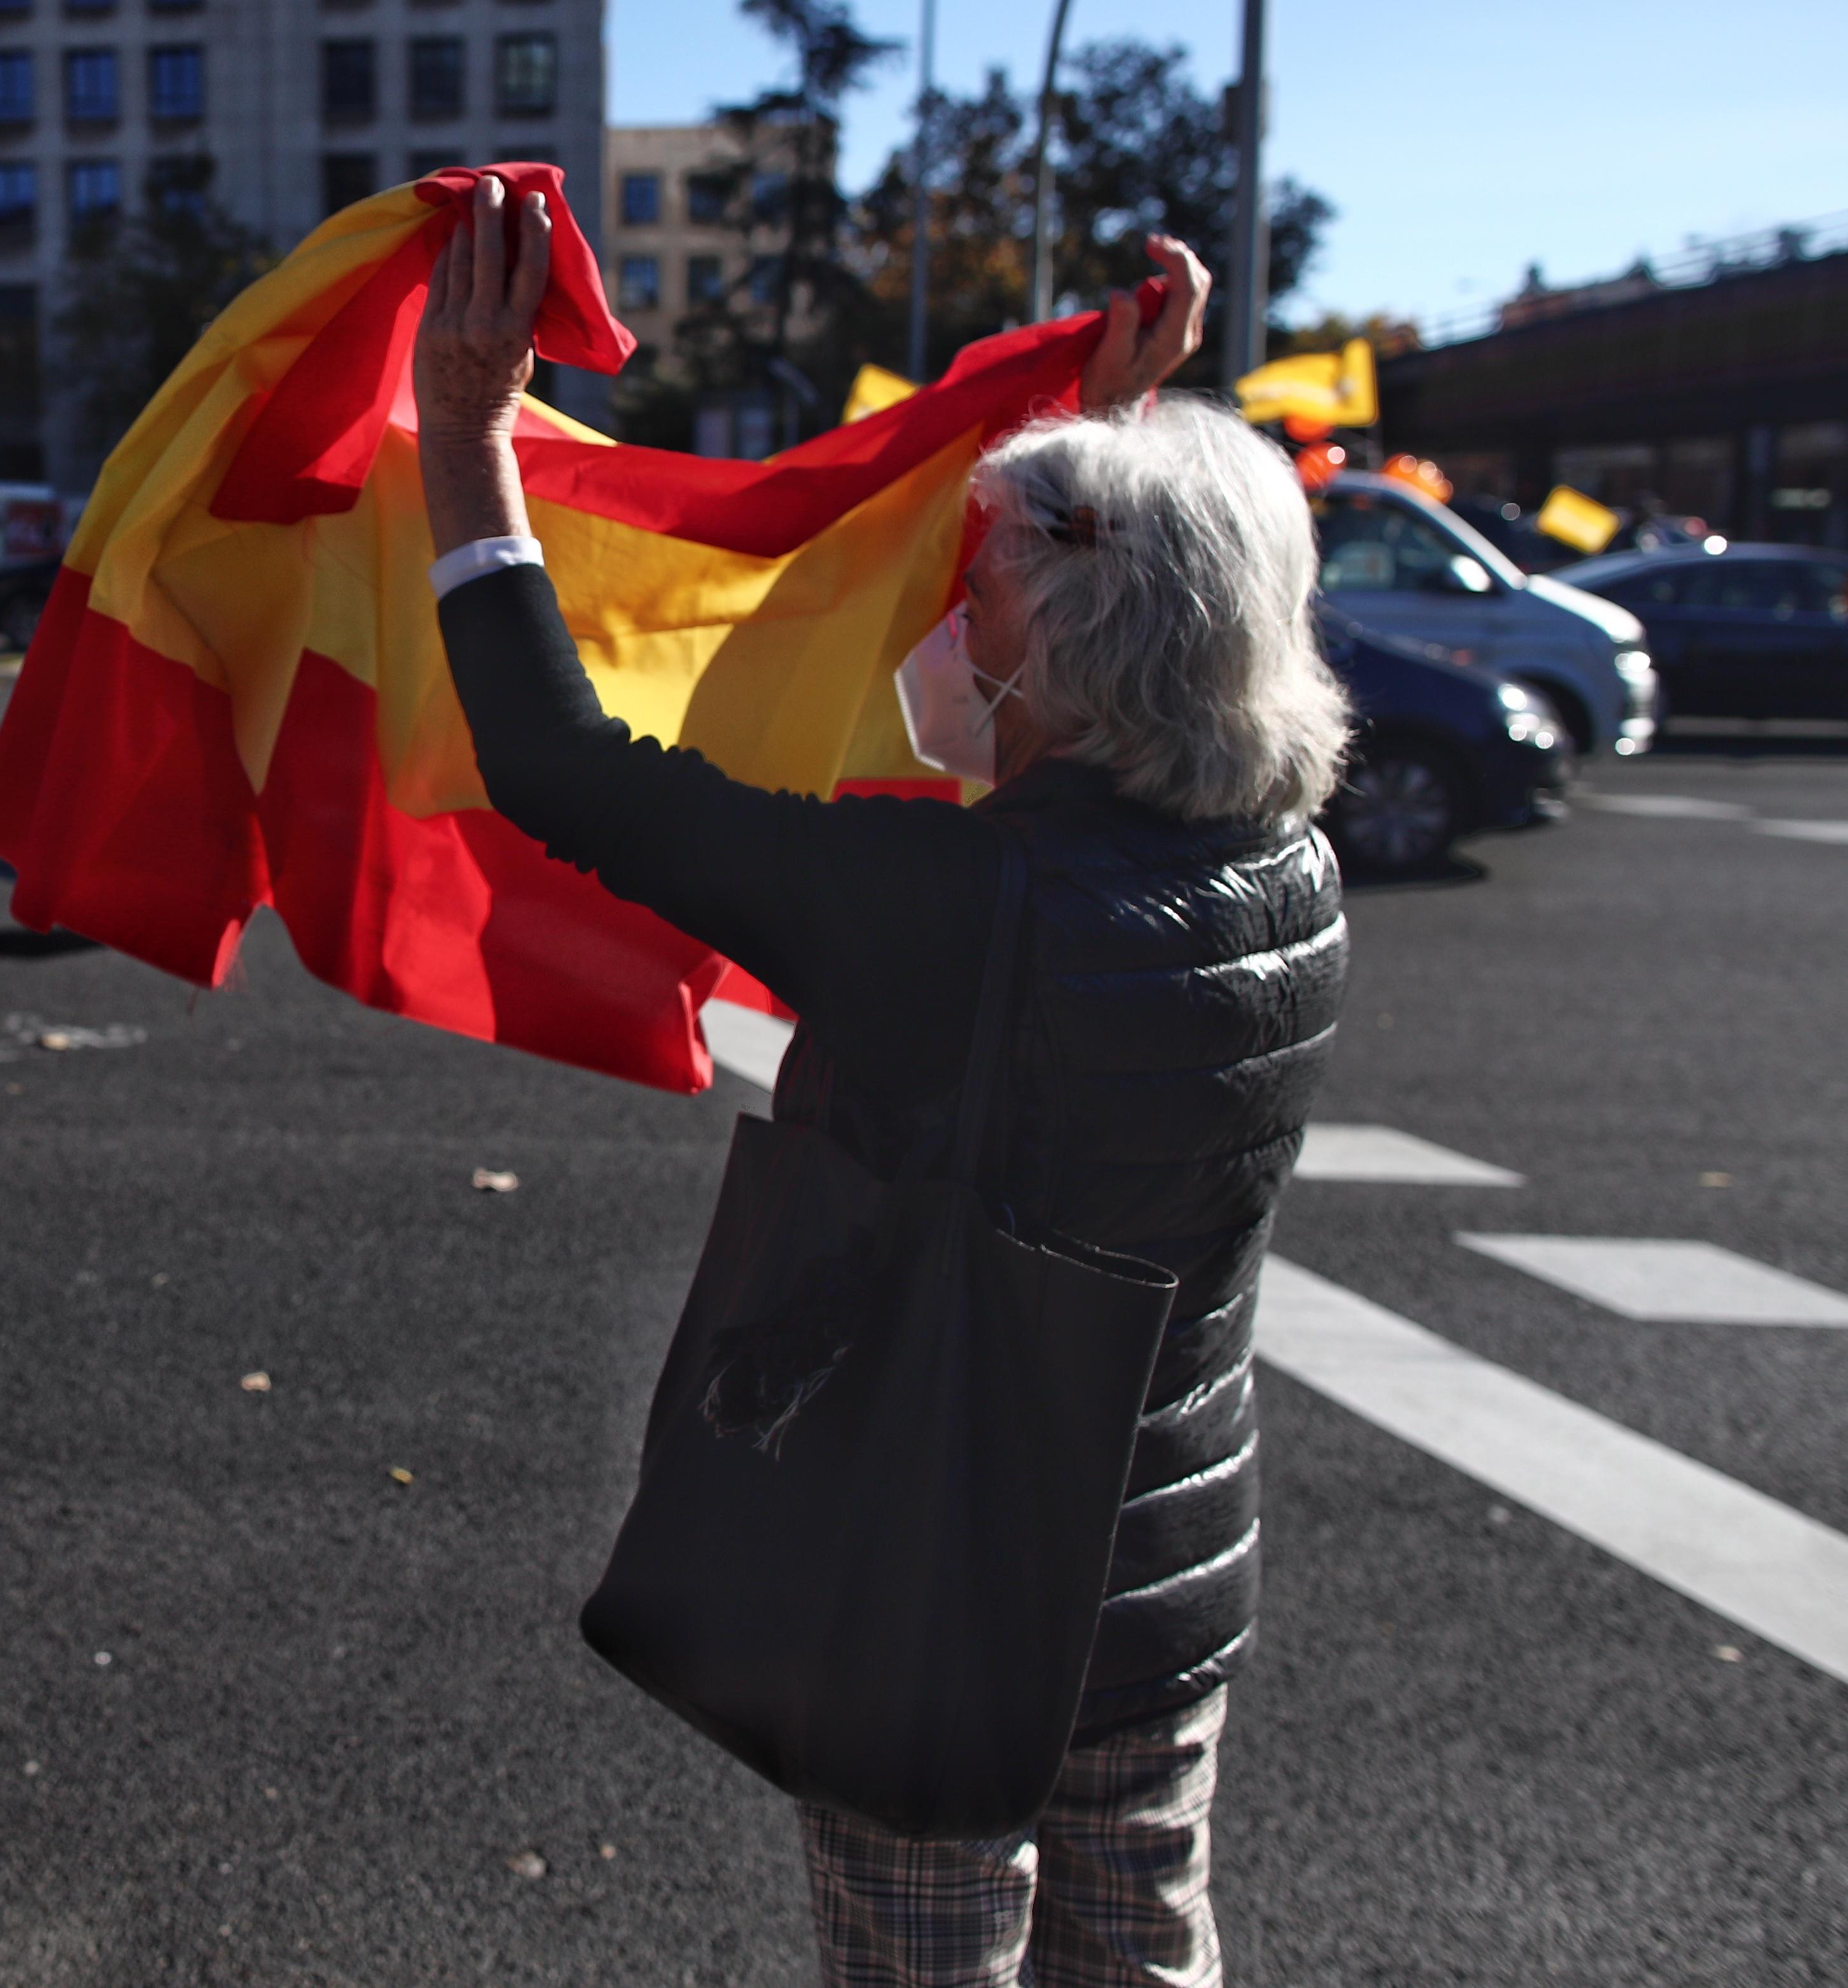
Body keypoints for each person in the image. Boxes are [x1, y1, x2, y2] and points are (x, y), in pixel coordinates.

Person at [412, 176, 1351, 1988]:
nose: (960, 620)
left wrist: (467, 435)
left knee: (928, 1965)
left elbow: (560, 765)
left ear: (1068, 647)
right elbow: (1165, 611)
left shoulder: (955, 912)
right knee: (1141, 1948)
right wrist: (1122, 424)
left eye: (984, 588)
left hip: (942, 1572)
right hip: (1160, 1577)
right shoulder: (1293, 874)